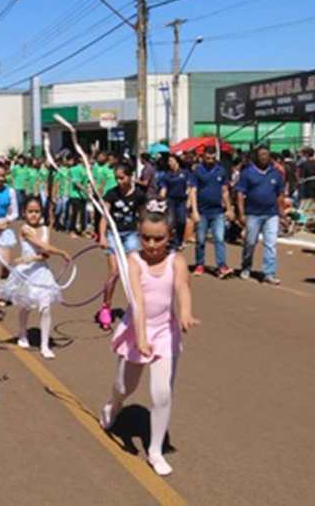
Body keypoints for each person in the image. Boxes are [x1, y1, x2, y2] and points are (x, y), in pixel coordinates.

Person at [98, 201, 200, 477]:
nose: (152, 244)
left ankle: (155, 451)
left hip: (165, 332)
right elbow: (138, 302)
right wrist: (141, 339)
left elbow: (182, 287)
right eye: (146, 237)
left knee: (161, 392)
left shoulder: (176, 261)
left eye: (159, 238)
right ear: (138, 234)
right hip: (137, 329)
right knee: (124, 386)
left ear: (171, 236)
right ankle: (113, 405)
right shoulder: (134, 261)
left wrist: (186, 313)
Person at [0, 197, 70, 359]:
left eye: (36, 211)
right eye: (30, 211)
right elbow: (43, 246)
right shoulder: (24, 229)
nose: (34, 215)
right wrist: (62, 253)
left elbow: (45, 254)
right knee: (26, 306)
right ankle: (22, 334)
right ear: (24, 213)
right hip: (26, 274)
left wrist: (32, 259)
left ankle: (44, 345)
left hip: (42, 272)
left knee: (45, 307)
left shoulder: (45, 229)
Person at [98, 164, 146, 330]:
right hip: (113, 234)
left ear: (130, 176)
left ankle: (135, 307)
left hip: (131, 235)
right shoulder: (112, 193)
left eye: (122, 177)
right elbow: (104, 216)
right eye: (117, 178)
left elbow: (142, 217)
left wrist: (146, 237)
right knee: (114, 272)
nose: (119, 181)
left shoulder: (139, 195)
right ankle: (106, 305)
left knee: (132, 272)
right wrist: (102, 236)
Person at [236, 147, 287, 285]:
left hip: (272, 214)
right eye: (261, 155)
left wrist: (282, 215)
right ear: (256, 157)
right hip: (253, 213)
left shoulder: (276, 174)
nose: (264, 157)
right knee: (250, 242)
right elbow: (240, 194)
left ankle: (269, 273)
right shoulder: (247, 173)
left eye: (266, 154)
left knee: (270, 244)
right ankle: (246, 266)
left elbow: (280, 195)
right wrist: (241, 214)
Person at [188, 147, 235, 278]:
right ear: (203, 157)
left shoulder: (221, 171)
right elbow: (193, 191)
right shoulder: (197, 172)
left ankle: (221, 265)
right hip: (202, 211)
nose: (210, 161)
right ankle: (199, 263)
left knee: (219, 239)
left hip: (217, 211)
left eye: (213, 158)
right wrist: (194, 211)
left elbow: (225, 191)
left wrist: (229, 208)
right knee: (201, 240)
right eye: (208, 158)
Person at [158, 156, 190, 250]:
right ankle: (174, 242)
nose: (169, 163)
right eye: (168, 161)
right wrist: (161, 197)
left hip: (182, 199)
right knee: (171, 222)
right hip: (171, 199)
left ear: (177, 162)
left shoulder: (185, 173)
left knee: (181, 220)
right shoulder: (166, 175)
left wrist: (189, 198)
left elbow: (189, 185)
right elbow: (164, 187)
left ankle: (179, 239)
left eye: (171, 161)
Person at [67, 156, 89, 237]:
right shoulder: (76, 169)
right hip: (75, 194)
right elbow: (76, 183)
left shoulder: (85, 169)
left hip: (83, 195)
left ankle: (83, 230)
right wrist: (85, 190)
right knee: (75, 213)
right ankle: (71, 230)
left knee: (83, 213)